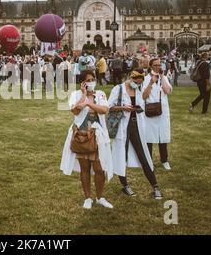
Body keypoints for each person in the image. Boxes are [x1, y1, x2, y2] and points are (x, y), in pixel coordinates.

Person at [60, 70, 114, 209]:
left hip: (98, 136)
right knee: (85, 168)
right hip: (82, 136)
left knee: (99, 168)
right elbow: (75, 110)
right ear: (83, 83)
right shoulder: (76, 95)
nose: (91, 82)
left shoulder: (100, 94)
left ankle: (100, 197)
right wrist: (84, 96)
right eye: (88, 80)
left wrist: (89, 104)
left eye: (93, 79)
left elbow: (104, 110)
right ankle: (87, 198)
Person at [108, 69, 163, 199]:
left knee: (143, 156)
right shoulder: (118, 89)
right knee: (122, 156)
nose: (137, 84)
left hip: (136, 125)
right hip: (122, 127)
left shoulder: (138, 89)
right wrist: (124, 108)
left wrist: (138, 106)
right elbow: (109, 106)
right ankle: (125, 185)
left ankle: (155, 186)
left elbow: (142, 101)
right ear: (130, 78)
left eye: (139, 83)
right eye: (135, 82)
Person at [142, 59, 173, 171]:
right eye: (155, 65)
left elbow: (168, 91)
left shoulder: (163, 78)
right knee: (148, 137)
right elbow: (143, 96)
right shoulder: (145, 79)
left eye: (159, 65)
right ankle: (149, 161)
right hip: (149, 111)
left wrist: (162, 77)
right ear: (151, 66)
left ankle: (164, 160)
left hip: (162, 111)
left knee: (162, 137)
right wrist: (151, 83)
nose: (158, 67)